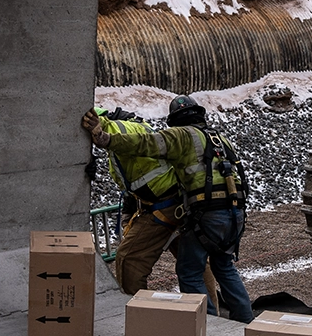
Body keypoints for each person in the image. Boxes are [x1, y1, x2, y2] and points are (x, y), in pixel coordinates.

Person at [83, 94, 253, 322]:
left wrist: (105, 139)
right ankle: (245, 322)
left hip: (205, 215)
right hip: (234, 214)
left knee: (188, 271)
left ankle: (208, 324)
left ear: (175, 122)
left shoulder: (182, 136)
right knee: (224, 267)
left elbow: (145, 143)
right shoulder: (218, 138)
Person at [86, 108, 184, 294]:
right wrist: (127, 214)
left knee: (129, 258)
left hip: (164, 206)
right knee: (192, 264)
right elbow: (134, 182)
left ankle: (138, 312)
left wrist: (100, 132)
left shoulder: (120, 128)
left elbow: (111, 131)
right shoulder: (136, 127)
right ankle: (210, 310)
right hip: (171, 204)